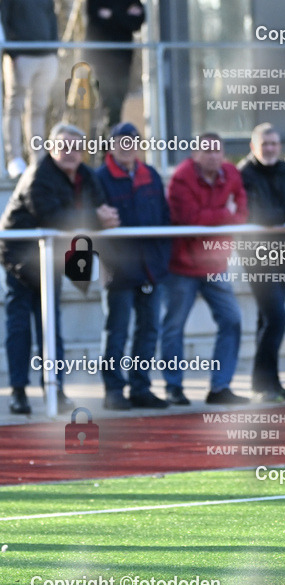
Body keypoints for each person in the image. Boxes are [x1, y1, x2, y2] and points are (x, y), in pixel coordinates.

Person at [1, 123, 119, 414]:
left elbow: (101, 208)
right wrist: (96, 217)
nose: (70, 153)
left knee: (50, 328)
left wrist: (105, 219)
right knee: (20, 329)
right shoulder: (37, 176)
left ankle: (56, 390)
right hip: (20, 261)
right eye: (64, 147)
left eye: (77, 147)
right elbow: (53, 217)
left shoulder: (87, 176)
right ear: (51, 148)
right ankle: (19, 392)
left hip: (52, 260)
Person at [161, 132, 249, 406]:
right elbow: (188, 219)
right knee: (174, 327)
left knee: (232, 320)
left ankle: (220, 387)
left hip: (216, 264)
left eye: (217, 151)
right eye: (206, 151)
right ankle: (173, 387)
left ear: (223, 153)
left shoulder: (231, 173)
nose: (213, 156)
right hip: (181, 266)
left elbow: (243, 213)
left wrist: (220, 218)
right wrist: (225, 215)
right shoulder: (181, 177)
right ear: (195, 154)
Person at [94, 122, 171, 410]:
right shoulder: (99, 178)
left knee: (149, 330)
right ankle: (113, 390)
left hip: (151, 268)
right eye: (121, 142)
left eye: (132, 142)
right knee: (117, 330)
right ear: (111, 146)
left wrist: (161, 258)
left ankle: (141, 387)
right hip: (119, 271)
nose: (127, 148)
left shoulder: (150, 174)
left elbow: (164, 217)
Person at [238, 123, 285, 402]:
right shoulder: (243, 174)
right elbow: (255, 213)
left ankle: (270, 383)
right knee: (277, 317)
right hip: (256, 256)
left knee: (267, 319)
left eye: (274, 143)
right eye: (264, 144)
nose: (269, 148)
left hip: (284, 254)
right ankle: (262, 384)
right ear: (253, 146)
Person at [0, 0, 59, 178]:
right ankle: (15, 158)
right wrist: (13, 52)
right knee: (15, 108)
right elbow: (4, 19)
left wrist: (54, 51)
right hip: (21, 56)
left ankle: (38, 159)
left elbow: (52, 19)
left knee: (38, 109)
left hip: (46, 55)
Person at [84, 0, 146, 129]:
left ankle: (111, 140)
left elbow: (138, 21)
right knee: (110, 103)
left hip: (123, 61)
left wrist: (112, 15)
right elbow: (95, 19)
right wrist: (124, 14)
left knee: (118, 102)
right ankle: (110, 141)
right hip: (101, 61)